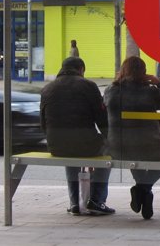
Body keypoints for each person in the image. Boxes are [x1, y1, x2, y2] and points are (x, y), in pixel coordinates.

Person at [40, 57, 114, 216]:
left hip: (56, 145)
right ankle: (96, 200)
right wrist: (109, 139)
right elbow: (101, 118)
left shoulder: (47, 88)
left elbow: (43, 123)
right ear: (81, 69)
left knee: (70, 152)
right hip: (85, 144)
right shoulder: (88, 86)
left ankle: (74, 203)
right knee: (108, 151)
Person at [103, 56, 160, 220]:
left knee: (135, 155)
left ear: (123, 70)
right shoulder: (149, 90)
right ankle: (144, 188)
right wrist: (158, 83)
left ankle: (144, 190)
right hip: (149, 145)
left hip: (117, 146)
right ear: (143, 72)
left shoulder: (111, 90)